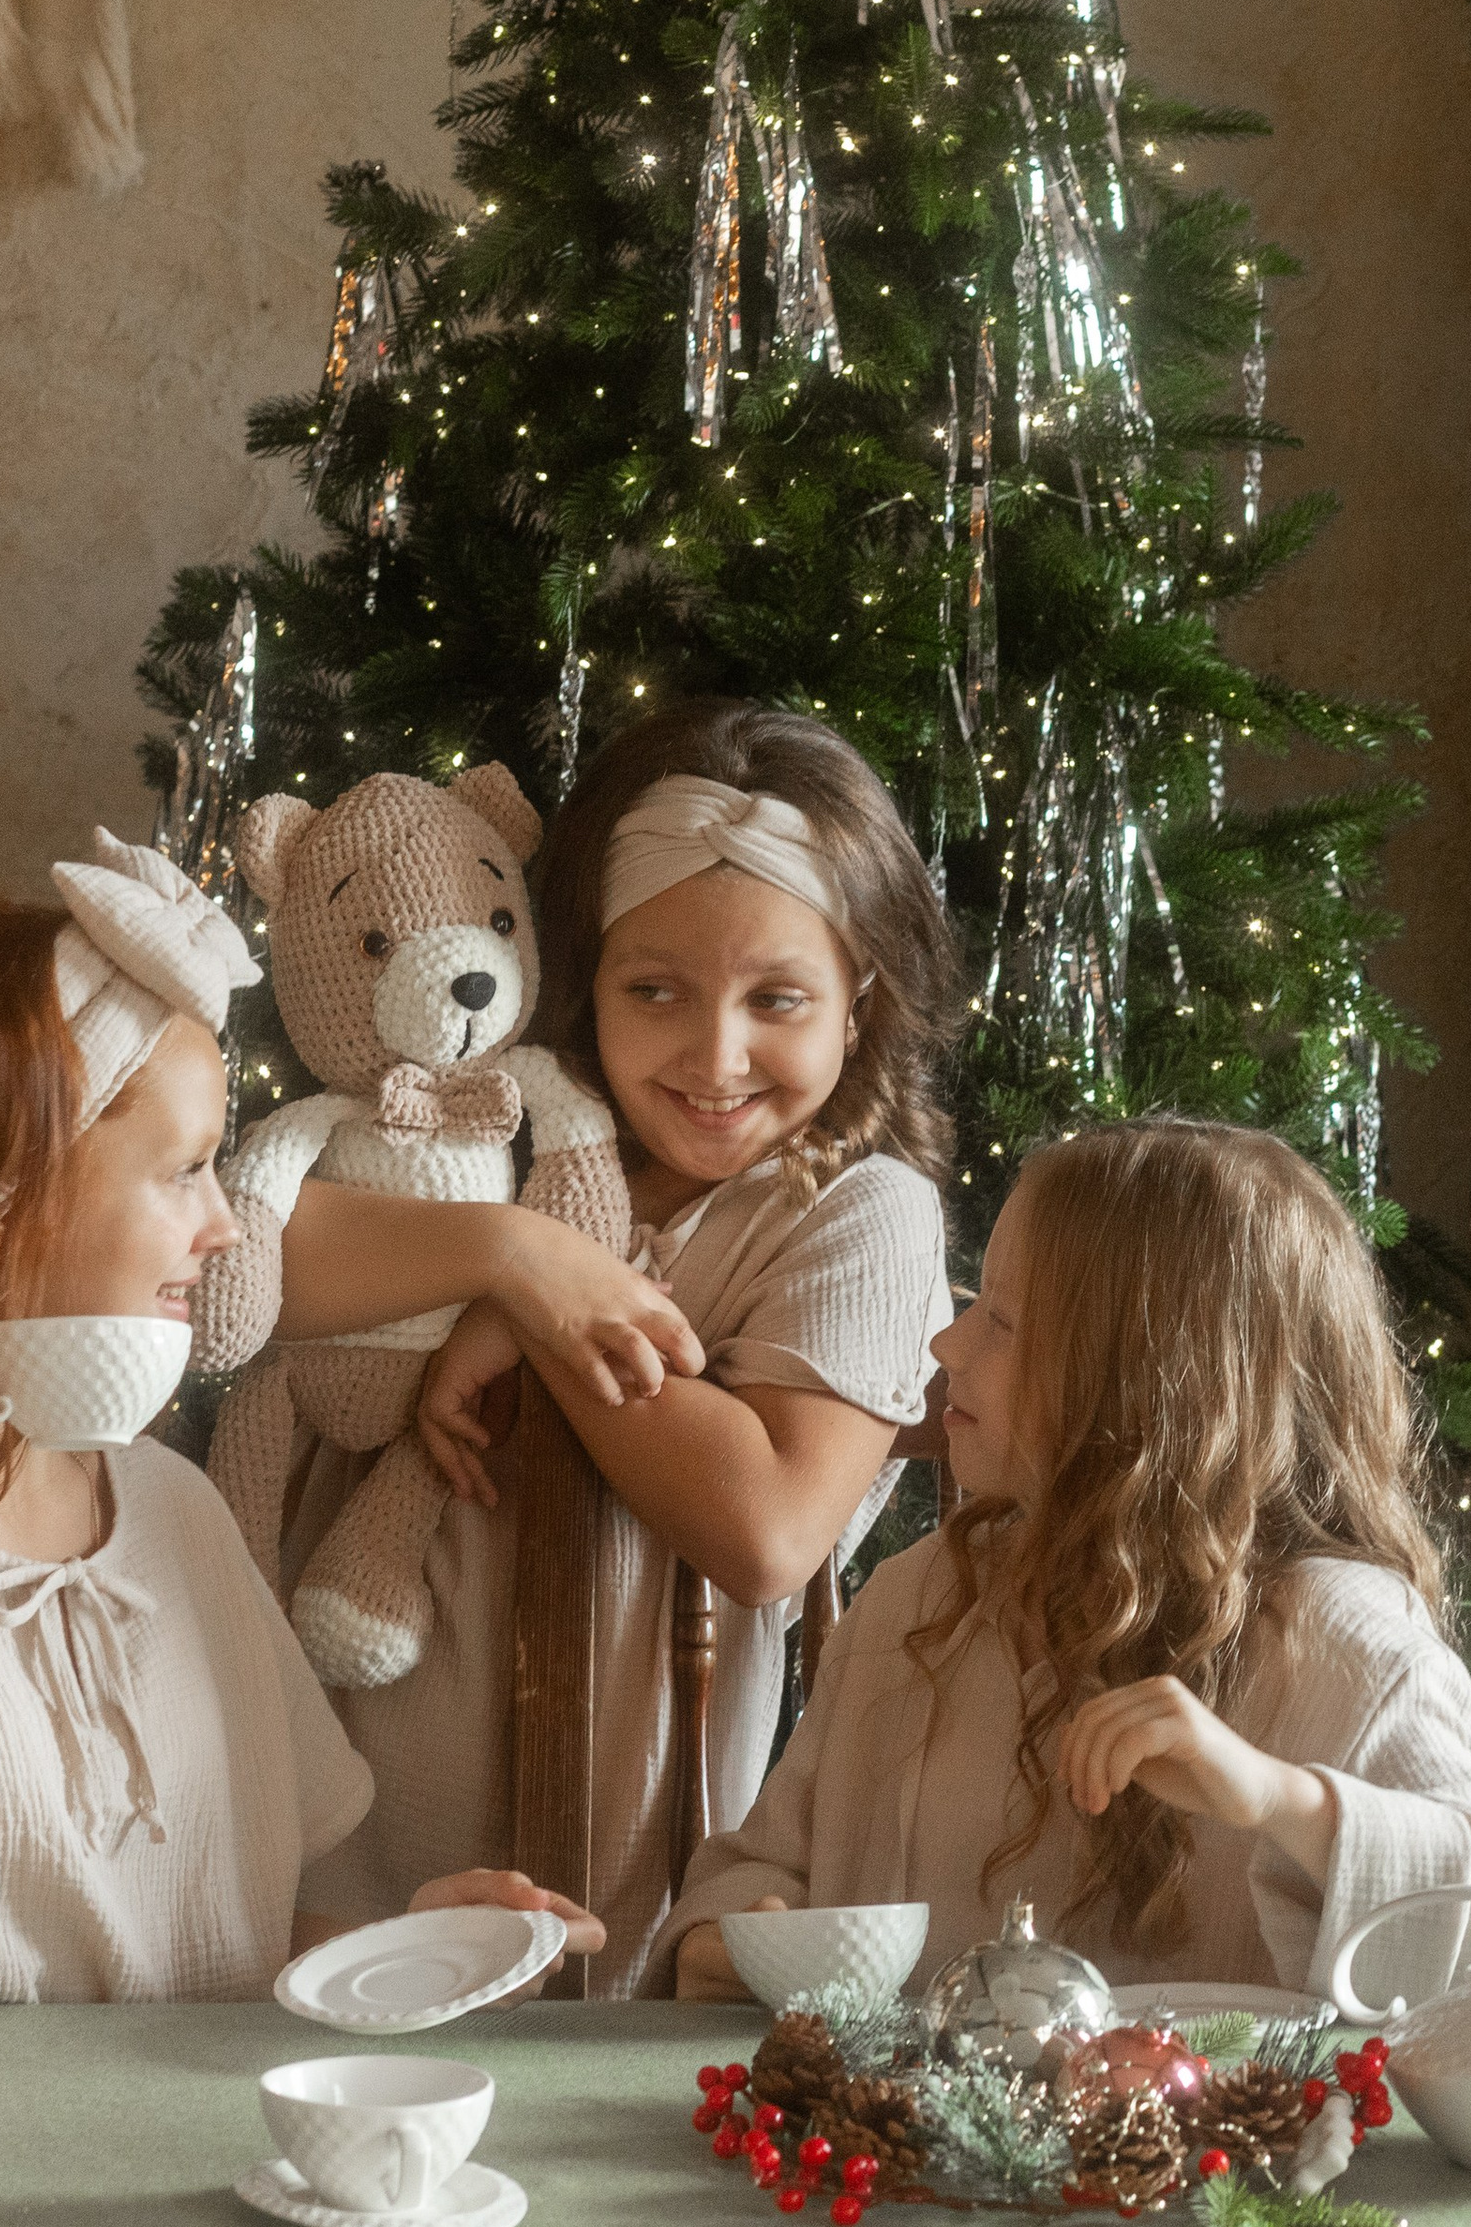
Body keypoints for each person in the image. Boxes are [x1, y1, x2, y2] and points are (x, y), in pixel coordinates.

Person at [263, 701, 960, 1992]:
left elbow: (766, 1528)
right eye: (655, 991)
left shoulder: (856, 1214)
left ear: (858, 998)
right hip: (328, 1842)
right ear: (583, 976)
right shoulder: (486, 1122)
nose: (716, 1055)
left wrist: (544, 1321)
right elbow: (244, 1266)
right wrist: (519, 1253)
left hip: (612, 1880)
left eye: (778, 999)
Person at [665, 1118, 1471, 2003]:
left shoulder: (1338, 1641)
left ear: (1148, 1380)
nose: (947, 1344)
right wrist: (742, 1937)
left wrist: (1277, 1798)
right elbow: (760, 1872)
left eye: (1003, 1321)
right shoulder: (920, 1600)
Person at [0, 841, 599, 2003]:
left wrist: (409, 1952)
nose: (227, 1225)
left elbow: (252, 1946)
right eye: (184, 1168)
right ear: (5, 1193)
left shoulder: (174, 1514)